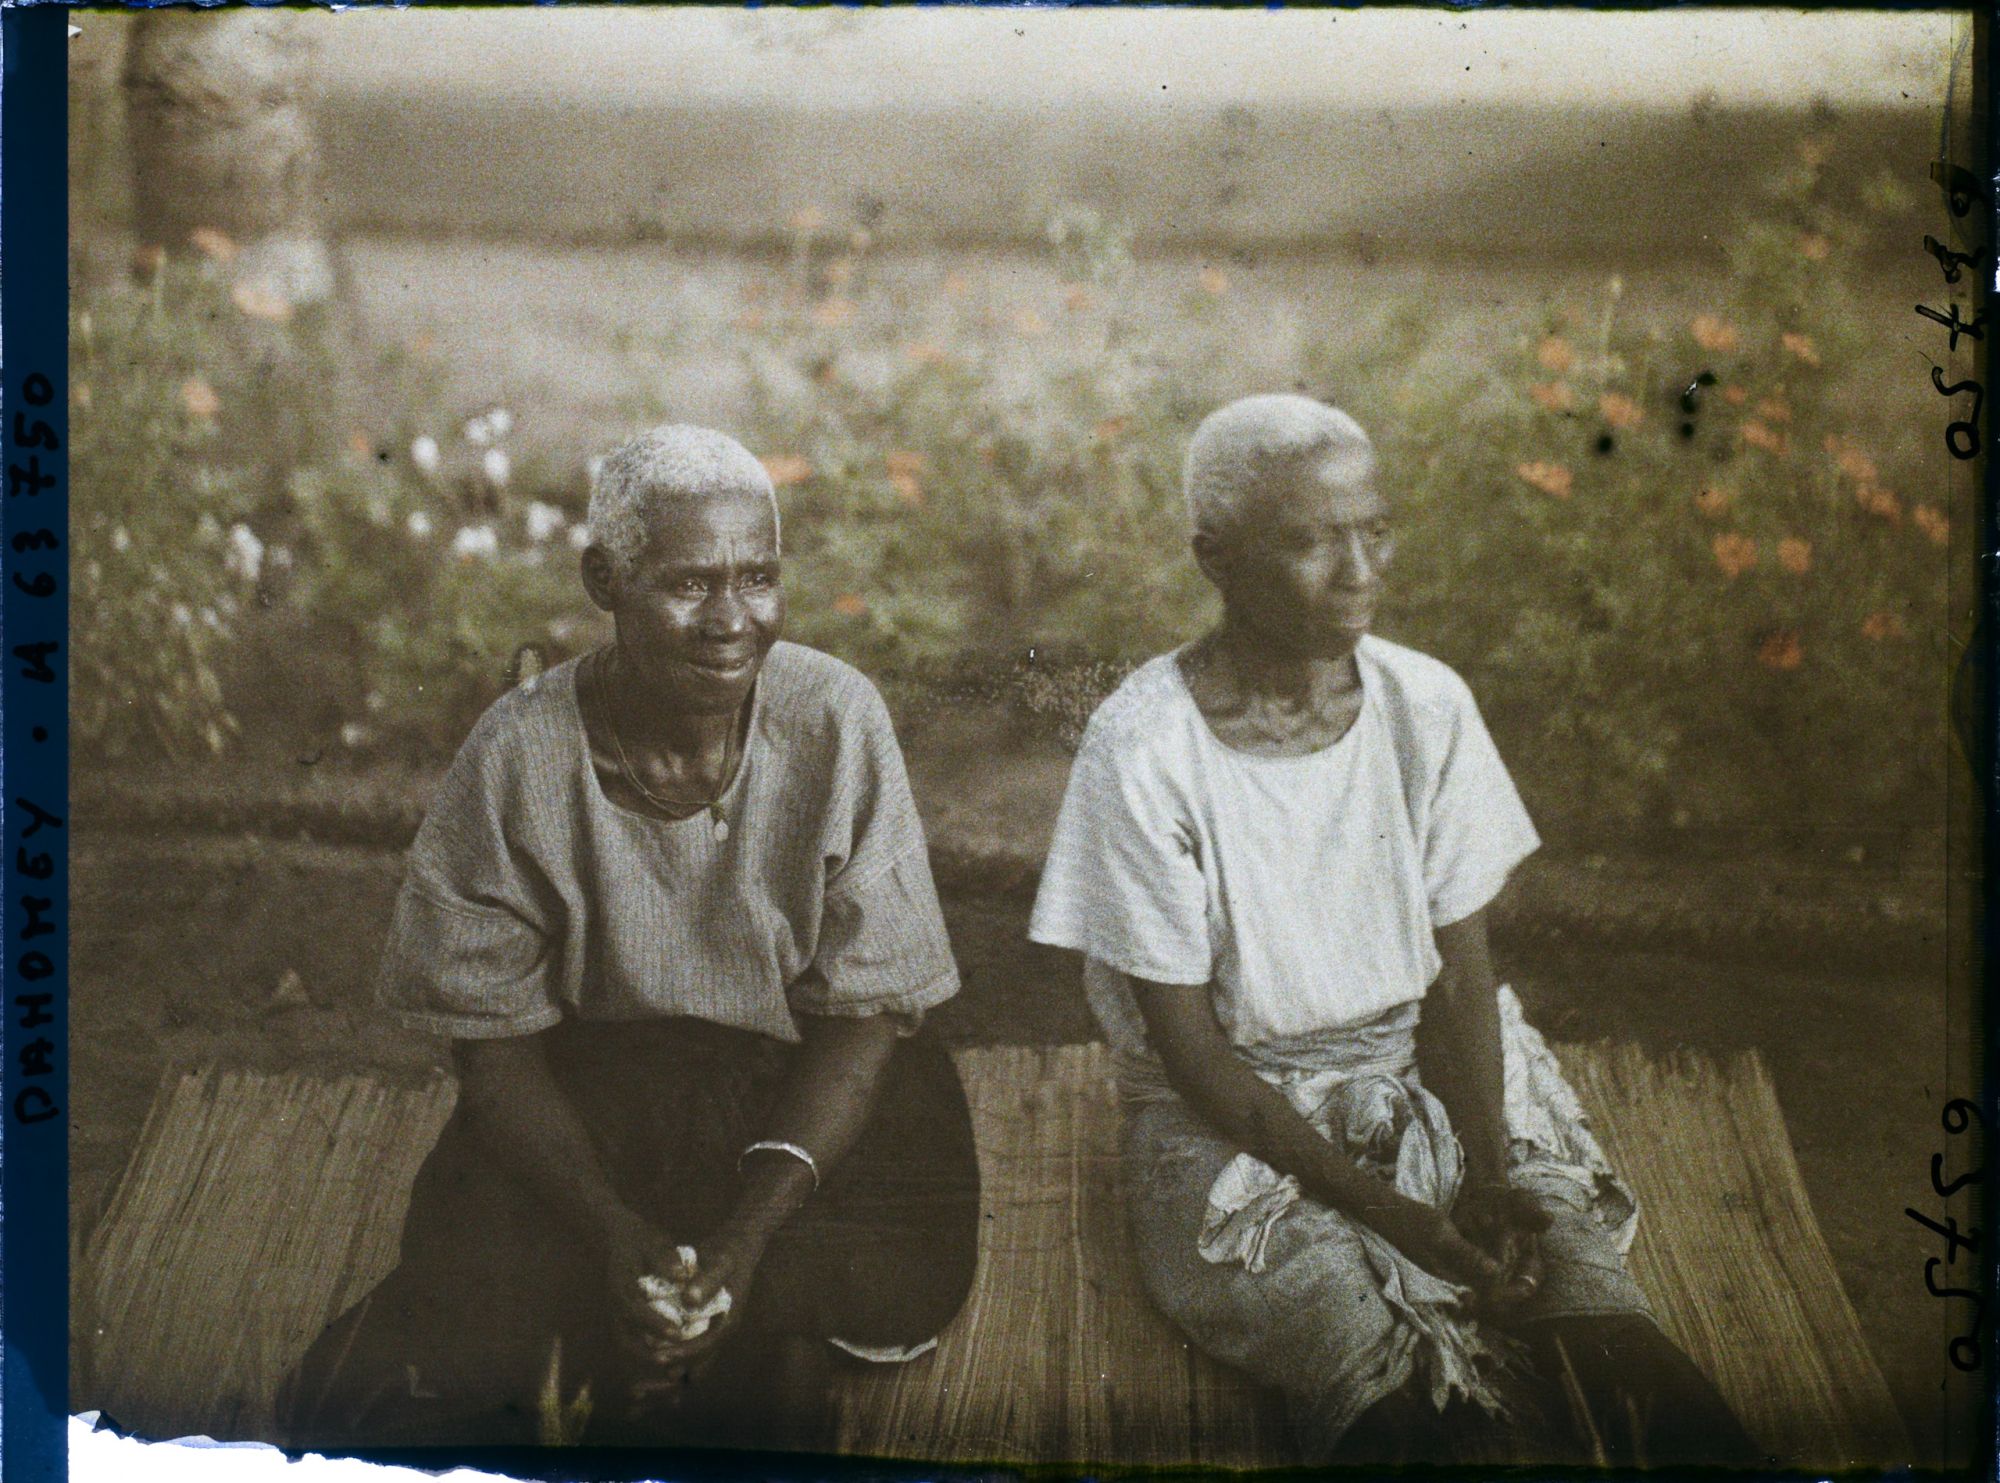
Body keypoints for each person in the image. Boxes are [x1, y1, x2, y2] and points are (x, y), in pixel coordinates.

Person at [1027, 394, 1756, 1466]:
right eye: (1310, 541)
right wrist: (1395, 1214)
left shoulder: (1425, 706)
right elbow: (1188, 1051)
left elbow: (1460, 982)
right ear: (1214, 556)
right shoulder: (1143, 747)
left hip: (1427, 1062)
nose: (1358, 569)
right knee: (1367, 1358)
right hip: (1232, 1116)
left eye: (1373, 530)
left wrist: (1489, 1174)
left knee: (1593, 1314)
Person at [278, 425, 980, 1451]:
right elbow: (492, 1043)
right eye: (689, 584)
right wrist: (615, 1233)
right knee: (456, 1287)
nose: (732, 620)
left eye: (757, 578)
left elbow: (867, 1014)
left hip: (802, 1097)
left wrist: (742, 1240)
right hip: (603, 1098)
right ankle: (699, 1336)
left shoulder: (833, 718)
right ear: (603, 578)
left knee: (894, 1260)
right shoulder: (517, 754)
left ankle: (721, 1331)